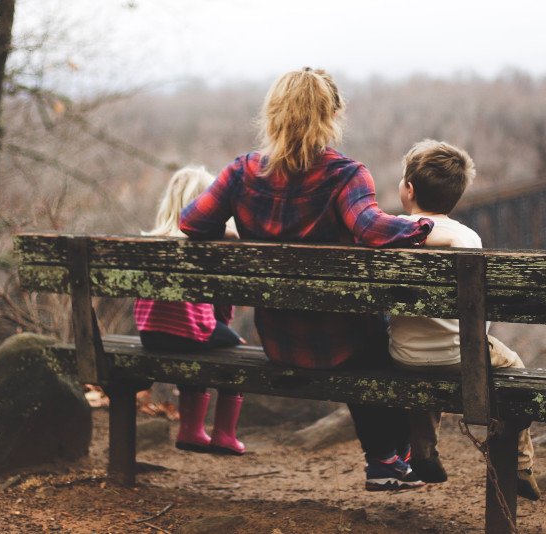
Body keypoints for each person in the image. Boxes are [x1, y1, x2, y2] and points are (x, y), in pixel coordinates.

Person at [180, 67, 437, 491]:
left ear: (273, 114)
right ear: (332, 115)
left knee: (367, 337)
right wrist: (423, 227)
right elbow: (371, 229)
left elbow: (191, 222)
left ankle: (390, 460)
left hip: (280, 341)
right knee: (380, 340)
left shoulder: (241, 172)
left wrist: (229, 232)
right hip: (343, 344)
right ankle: (389, 458)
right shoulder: (345, 174)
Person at [389, 139, 541, 500]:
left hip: (403, 356)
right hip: (462, 356)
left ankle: (423, 451)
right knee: (514, 368)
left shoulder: (390, 232)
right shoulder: (467, 238)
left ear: (408, 190)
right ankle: (520, 463)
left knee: (424, 363)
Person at [134, 165, 246, 455]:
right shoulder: (206, 245)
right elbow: (221, 303)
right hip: (190, 332)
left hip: (150, 334)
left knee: (198, 345)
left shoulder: (151, 241)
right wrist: (225, 327)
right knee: (235, 350)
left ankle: (191, 430)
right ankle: (224, 435)